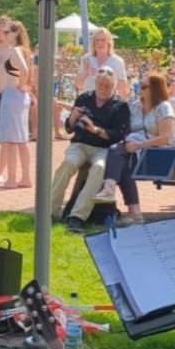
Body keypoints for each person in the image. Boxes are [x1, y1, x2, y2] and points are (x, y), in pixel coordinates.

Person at [49, 69, 132, 232]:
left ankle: (77, 216)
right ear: (95, 83)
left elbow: (118, 134)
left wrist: (96, 130)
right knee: (68, 164)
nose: (103, 89)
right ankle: (50, 211)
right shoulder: (84, 98)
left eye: (108, 86)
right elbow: (70, 128)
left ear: (114, 86)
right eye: (100, 84)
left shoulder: (120, 105)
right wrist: (73, 118)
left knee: (99, 169)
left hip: (102, 148)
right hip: (80, 144)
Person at [105, 72, 175, 225]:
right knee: (117, 155)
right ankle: (133, 212)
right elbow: (122, 122)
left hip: (161, 153)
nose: (141, 89)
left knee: (117, 155)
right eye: (140, 85)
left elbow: (166, 137)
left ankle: (112, 191)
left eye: (144, 86)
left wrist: (139, 145)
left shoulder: (164, 107)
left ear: (155, 89)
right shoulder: (135, 105)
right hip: (136, 151)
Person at [0, 18, 33, 190]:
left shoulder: (15, 50)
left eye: (7, 32)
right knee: (21, 139)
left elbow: (25, 71)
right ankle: (25, 177)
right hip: (18, 97)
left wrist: (20, 85)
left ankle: (12, 179)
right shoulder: (24, 50)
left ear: (16, 34)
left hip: (12, 94)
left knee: (11, 140)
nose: (4, 35)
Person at [77, 27, 128, 95]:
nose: (100, 43)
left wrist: (107, 78)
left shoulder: (117, 61)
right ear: (93, 42)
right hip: (88, 101)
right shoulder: (86, 59)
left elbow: (123, 90)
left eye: (103, 40)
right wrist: (86, 73)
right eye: (97, 40)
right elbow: (78, 85)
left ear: (109, 42)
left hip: (109, 102)